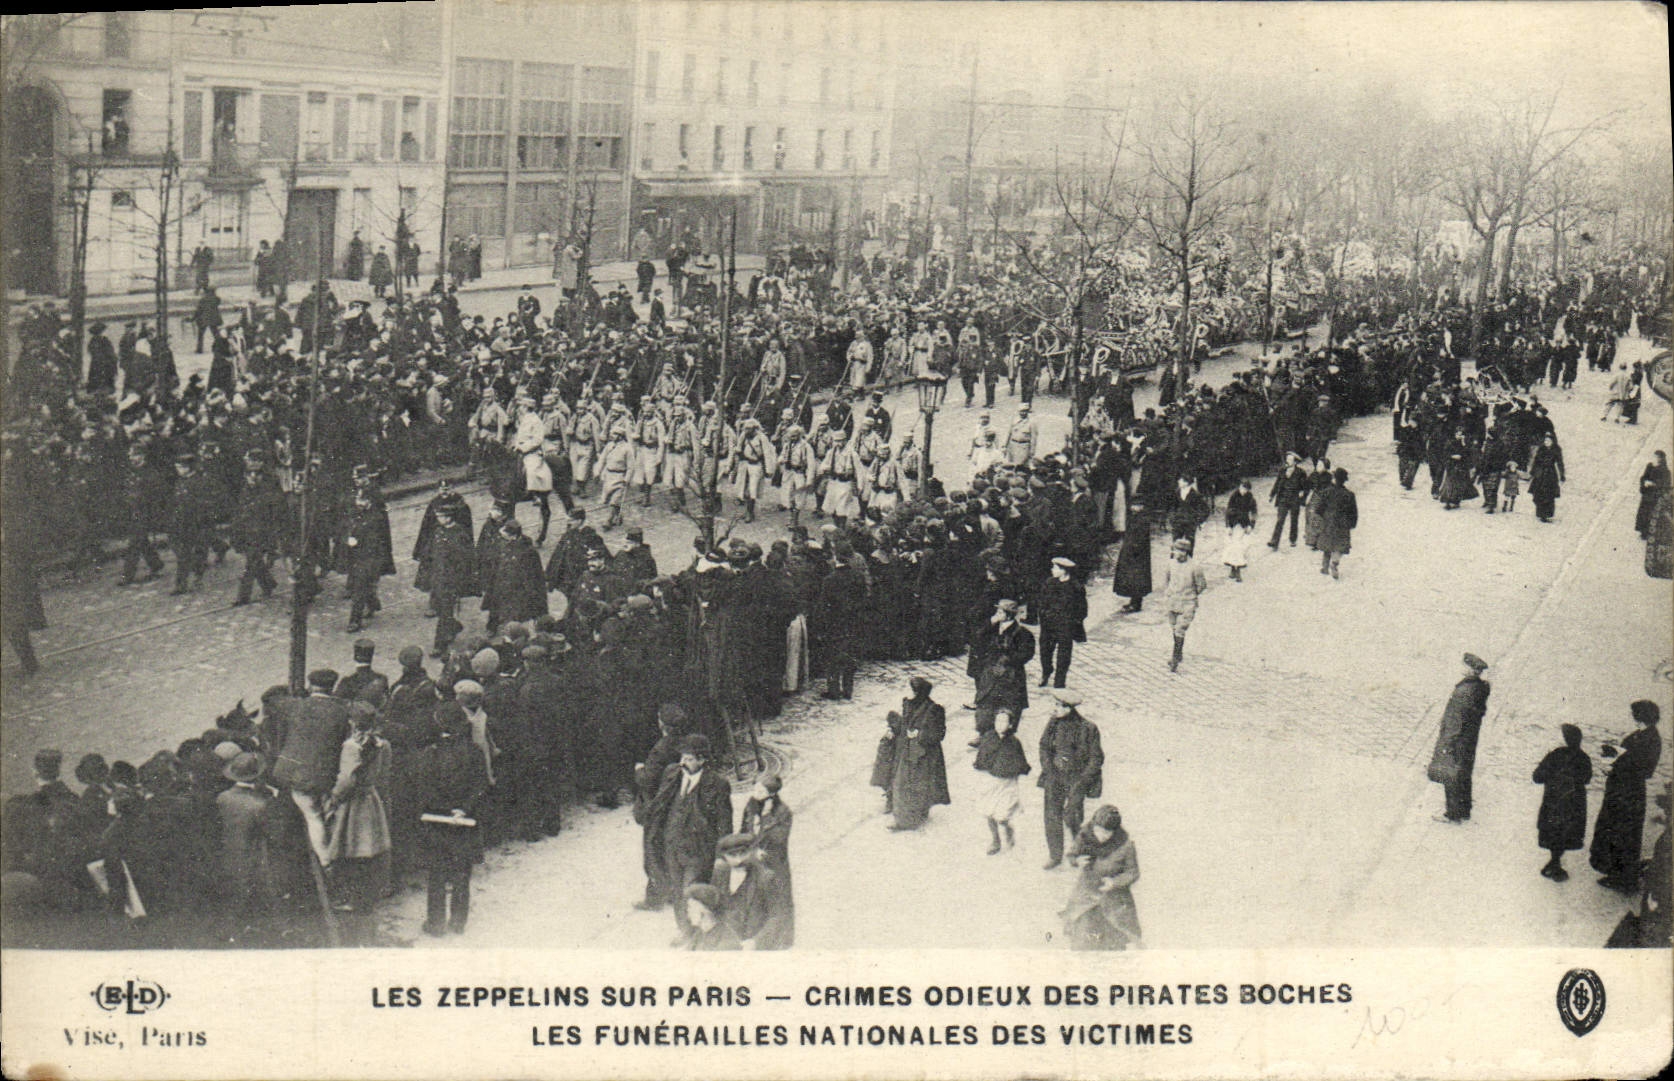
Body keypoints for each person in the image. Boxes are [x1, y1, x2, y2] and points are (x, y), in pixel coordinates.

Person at [648, 733, 733, 945]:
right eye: (682, 757)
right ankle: (685, 931)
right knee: (676, 892)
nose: (682, 762)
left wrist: (722, 856)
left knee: (690, 893)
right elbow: (660, 805)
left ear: (702, 760)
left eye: (689, 759)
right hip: (671, 846)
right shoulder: (672, 774)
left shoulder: (718, 784)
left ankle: (701, 934)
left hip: (698, 851)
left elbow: (725, 823)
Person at [413, 708, 490, 936]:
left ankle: (435, 924)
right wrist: (463, 809)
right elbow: (481, 786)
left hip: (438, 822)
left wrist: (444, 809)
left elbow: (424, 789)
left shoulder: (431, 753)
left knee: (436, 874)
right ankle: (458, 922)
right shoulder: (474, 752)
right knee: (462, 874)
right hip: (465, 822)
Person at [1590, 700, 1663, 892]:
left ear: (1642, 716)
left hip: (1629, 793)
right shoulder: (1642, 734)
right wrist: (1615, 755)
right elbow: (1630, 755)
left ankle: (1624, 879)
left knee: (1624, 835)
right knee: (1614, 832)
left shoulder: (1652, 739)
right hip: (1621, 790)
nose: (1632, 717)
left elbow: (1645, 769)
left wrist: (1620, 759)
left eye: (1635, 714)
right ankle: (1616, 873)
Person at [1037, 687, 1103, 870]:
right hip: (1054, 777)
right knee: (1051, 817)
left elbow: (1096, 758)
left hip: (1076, 780)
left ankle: (1077, 851)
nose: (1054, 708)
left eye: (1058, 705)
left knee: (1073, 818)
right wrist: (1048, 768)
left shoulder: (1088, 728)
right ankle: (1055, 855)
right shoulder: (1053, 723)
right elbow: (1043, 746)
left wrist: (1082, 782)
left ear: (1069, 708)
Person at [873, 676, 950, 831]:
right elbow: (904, 724)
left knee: (911, 785)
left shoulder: (934, 709)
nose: (906, 692)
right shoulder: (908, 704)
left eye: (910, 690)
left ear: (917, 692)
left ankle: (904, 820)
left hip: (924, 754)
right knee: (900, 780)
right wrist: (892, 729)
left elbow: (939, 734)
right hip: (905, 749)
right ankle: (901, 808)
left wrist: (919, 734)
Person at [1062, 804, 1141, 950]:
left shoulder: (1126, 846)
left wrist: (1114, 882)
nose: (1101, 836)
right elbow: (1071, 854)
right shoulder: (1085, 835)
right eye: (1098, 830)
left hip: (1113, 901)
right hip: (1085, 898)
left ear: (1115, 832)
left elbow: (1133, 872)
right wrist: (1076, 860)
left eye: (1106, 833)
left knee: (1113, 944)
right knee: (1082, 942)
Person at [1427, 653, 1491, 823]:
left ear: (1469, 669)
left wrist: (1447, 743)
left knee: (1451, 774)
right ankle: (1464, 810)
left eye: (1464, 666)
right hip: (1469, 739)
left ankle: (1453, 813)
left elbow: (1455, 721)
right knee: (1464, 773)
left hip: (1458, 739)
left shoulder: (1463, 691)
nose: (1461, 668)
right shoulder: (1480, 688)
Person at [712, 831, 793, 950]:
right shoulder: (720, 873)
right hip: (725, 942)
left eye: (743, 853)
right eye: (732, 855)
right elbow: (713, 908)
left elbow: (777, 916)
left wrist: (756, 942)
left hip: (751, 944)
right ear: (724, 856)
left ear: (751, 852)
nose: (739, 860)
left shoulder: (766, 878)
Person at [1532, 724, 1591, 882]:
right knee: (1565, 832)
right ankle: (1555, 863)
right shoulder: (1584, 757)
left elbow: (1537, 777)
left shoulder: (1556, 755)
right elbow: (1587, 778)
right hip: (1573, 805)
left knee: (1553, 831)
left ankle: (1554, 863)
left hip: (1554, 802)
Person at [974, 708, 1030, 855]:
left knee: (1003, 814)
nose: (1000, 724)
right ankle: (995, 840)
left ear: (1011, 725)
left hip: (1007, 783)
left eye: (1004, 721)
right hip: (991, 780)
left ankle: (1007, 828)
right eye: (998, 720)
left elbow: (1020, 763)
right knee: (988, 811)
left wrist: (1014, 772)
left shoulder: (1014, 743)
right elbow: (981, 758)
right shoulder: (988, 738)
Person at [1036, 557, 1087, 689]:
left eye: (1055, 568)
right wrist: (1044, 616)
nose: (1052, 570)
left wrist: (1072, 622)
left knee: (1063, 656)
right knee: (1045, 652)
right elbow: (1042, 603)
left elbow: (1082, 609)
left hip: (1065, 626)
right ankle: (1046, 671)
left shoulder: (1076, 587)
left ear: (1064, 571)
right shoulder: (1049, 583)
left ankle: (1060, 681)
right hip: (1048, 625)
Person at [1160, 538, 1207, 673]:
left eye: (1180, 551)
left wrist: (1190, 595)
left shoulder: (1195, 567)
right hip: (1172, 602)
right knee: (1174, 628)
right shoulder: (1170, 564)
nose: (1176, 553)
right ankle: (1179, 653)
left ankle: (1175, 658)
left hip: (1187, 603)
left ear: (1186, 552)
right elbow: (1167, 580)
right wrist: (1168, 594)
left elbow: (1201, 585)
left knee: (1180, 629)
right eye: (1175, 550)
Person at [1317, 468, 1358, 580]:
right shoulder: (1349, 495)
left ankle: (1324, 568)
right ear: (1344, 480)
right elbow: (1353, 513)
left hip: (1329, 522)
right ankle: (1334, 563)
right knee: (1340, 546)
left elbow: (1318, 508)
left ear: (1334, 479)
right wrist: (1351, 524)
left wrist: (1324, 517)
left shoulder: (1327, 492)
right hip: (1343, 524)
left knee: (1327, 544)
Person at [680, 883, 741, 951]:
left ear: (704, 910)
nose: (687, 911)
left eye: (690, 907)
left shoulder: (727, 940)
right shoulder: (700, 934)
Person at [1268, 452, 1308, 549]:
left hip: (1294, 499)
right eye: (1287, 459)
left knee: (1294, 520)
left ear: (1295, 462)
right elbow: (1277, 483)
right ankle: (1274, 541)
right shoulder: (1282, 471)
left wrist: (1302, 494)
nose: (1287, 461)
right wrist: (1272, 495)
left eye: (1290, 459)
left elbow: (1305, 486)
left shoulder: (1301, 472)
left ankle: (1293, 539)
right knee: (1280, 520)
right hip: (1283, 499)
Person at [1221, 478, 1256, 581]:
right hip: (1233, 524)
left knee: (1242, 547)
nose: (1244, 491)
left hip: (1244, 524)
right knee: (1234, 546)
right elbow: (1228, 512)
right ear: (1240, 486)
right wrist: (1228, 526)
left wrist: (1251, 525)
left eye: (1246, 489)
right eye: (1243, 488)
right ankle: (1236, 570)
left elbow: (1254, 512)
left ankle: (1235, 569)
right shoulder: (1233, 497)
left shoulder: (1250, 498)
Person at [1526, 433, 1564, 523]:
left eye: (1548, 441)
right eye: (1545, 441)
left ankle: (1547, 514)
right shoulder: (1541, 449)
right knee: (1538, 494)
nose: (1546, 442)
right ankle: (1540, 513)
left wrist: (1562, 475)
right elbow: (1536, 461)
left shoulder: (1556, 450)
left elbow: (1560, 463)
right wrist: (1532, 473)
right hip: (1540, 474)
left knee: (1549, 495)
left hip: (1550, 475)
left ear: (1552, 441)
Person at [1636, 452, 1670, 541]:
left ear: (1663, 459)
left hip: (1655, 497)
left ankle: (1651, 533)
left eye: (1659, 458)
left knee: (1652, 514)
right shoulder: (1650, 466)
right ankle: (1643, 532)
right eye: (1656, 457)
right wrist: (1644, 482)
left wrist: (1654, 484)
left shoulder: (1665, 471)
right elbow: (1643, 477)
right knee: (1643, 513)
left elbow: (1666, 484)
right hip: (1647, 495)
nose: (1657, 459)